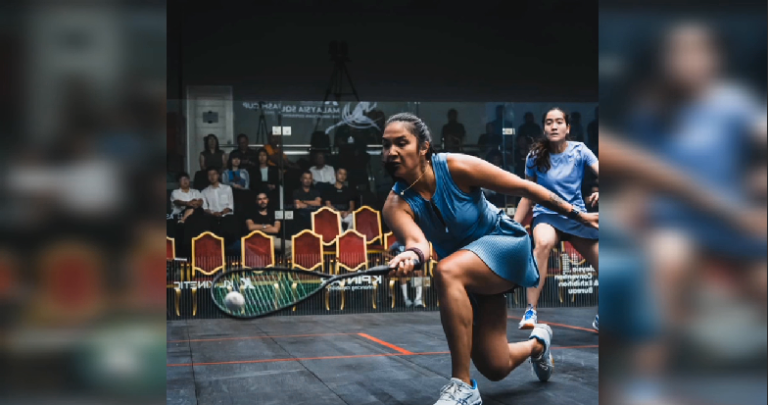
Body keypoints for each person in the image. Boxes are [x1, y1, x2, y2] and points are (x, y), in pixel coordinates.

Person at [381, 113, 598, 405]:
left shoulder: (455, 167)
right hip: (470, 271)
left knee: (446, 271)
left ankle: (463, 386)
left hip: (503, 245)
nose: (391, 152)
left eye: (401, 143)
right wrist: (410, 254)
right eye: (386, 145)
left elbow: (525, 187)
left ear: (423, 147)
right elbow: (417, 243)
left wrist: (579, 215)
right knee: (495, 365)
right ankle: (539, 343)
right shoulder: (395, 205)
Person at [513, 108, 599, 330]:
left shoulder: (580, 151)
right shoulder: (535, 156)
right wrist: (513, 226)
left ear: (567, 128)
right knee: (542, 244)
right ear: (544, 128)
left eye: (559, 122)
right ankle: (530, 311)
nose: (554, 126)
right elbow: (527, 194)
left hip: (578, 217)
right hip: (547, 215)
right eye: (549, 122)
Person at [201, 166, 239, 245]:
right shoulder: (204, 192)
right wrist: (214, 213)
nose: (212, 177)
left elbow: (230, 206)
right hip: (212, 217)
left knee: (230, 222)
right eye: (209, 175)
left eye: (214, 174)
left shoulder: (227, 188)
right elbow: (205, 208)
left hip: (226, 216)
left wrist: (221, 213)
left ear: (218, 175)